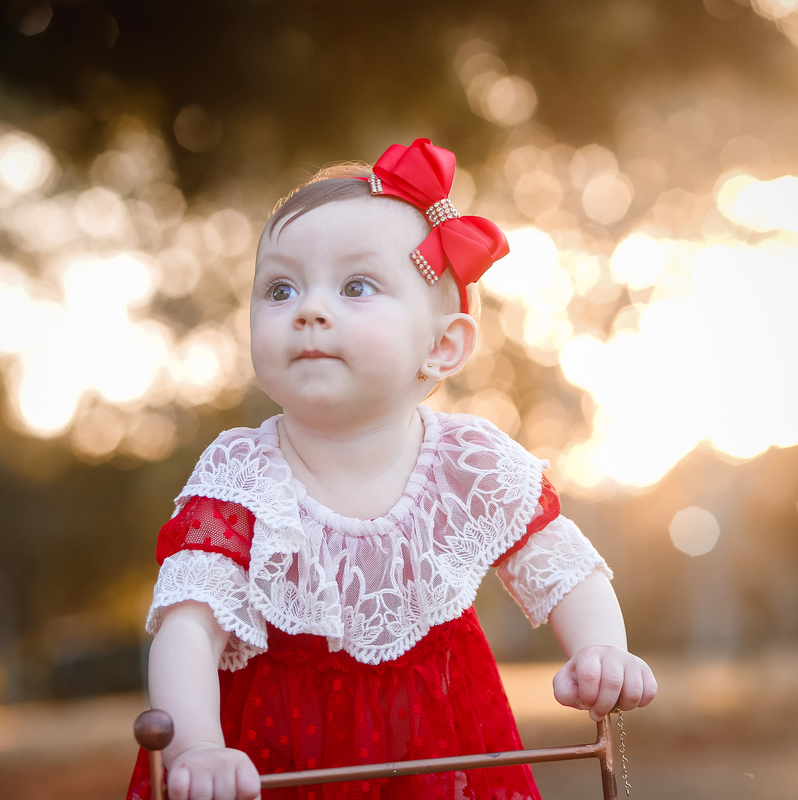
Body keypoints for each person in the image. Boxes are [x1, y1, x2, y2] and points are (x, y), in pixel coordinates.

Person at [126, 139, 656, 800]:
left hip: (441, 748)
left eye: (356, 286)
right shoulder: (243, 471)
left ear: (442, 346)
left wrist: (600, 649)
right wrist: (200, 746)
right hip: (279, 752)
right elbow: (187, 625)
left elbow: (564, 568)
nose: (309, 309)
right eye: (280, 288)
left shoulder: (468, 463)